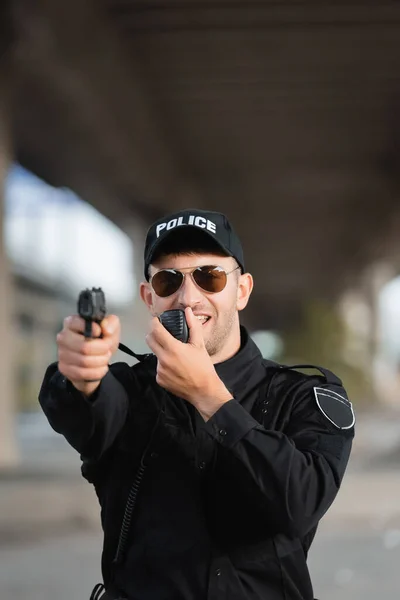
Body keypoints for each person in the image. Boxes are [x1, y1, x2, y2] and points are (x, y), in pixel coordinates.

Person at [39, 208, 355, 600]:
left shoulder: (302, 397)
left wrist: (211, 397)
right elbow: (84, 407)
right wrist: (79, 374)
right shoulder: (129, 391)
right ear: (149, 297)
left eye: (210, 277)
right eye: (168, 280)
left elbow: (300, 502)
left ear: (241, 291)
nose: (189, 298)